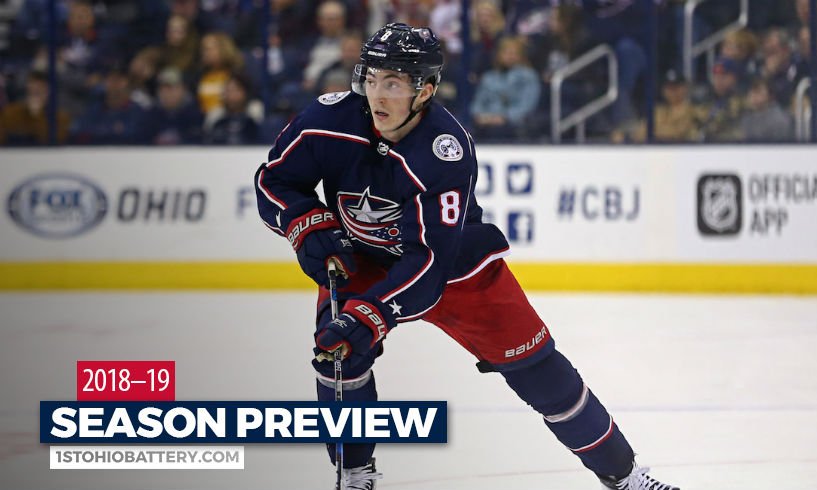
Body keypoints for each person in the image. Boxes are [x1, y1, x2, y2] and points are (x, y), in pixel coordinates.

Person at [254, 23, 680, 490]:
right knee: (337, 353)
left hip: (453, 269)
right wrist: (304, 223)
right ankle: (355, 475)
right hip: (362, 258)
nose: (377, 94)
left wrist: (372, 314)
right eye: (372, 78)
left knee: (540, 371)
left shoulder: (444, 150)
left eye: (393, 82)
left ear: (426, 90)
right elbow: (272, 180)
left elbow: (430, 263)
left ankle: (626, 476)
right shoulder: (326, 121)